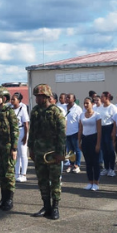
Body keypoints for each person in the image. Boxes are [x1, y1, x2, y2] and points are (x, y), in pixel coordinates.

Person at [29, 84, 66, 219]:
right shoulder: (35, 111)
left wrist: (60, 153)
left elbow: (62, 134)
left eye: (39, 96)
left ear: (46, 97)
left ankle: (55, 207)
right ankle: (46, 206)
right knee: (42, 180)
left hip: (52, 153)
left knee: (55, 180)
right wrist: (31, 148)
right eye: (36, 96)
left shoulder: (56, 112)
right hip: (39, 152)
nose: (37, 99)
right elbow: (32, 132)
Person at [0, 87, 19, 211]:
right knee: (1, 173)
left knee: (9, 174)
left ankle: (9, 200)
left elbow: (15, 130)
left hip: (7, 147)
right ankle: (3, 199)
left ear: (4, 98)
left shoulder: (9, 112)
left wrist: (14, 148)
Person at [78, 97, 102, 191]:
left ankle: (96, 182)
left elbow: (99, 131)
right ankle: (90, 181)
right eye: (84, 103)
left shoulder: (97, 115)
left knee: (95, 162)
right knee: (88, 162)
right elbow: (80, 129)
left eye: (87, 103)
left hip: (94, 138)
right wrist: (79, 141)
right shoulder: (82, 115)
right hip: (85, 139)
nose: (85, 105)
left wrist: (98, 144)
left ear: (92, 104)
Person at [95, 91, 117, 176]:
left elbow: (116, 121)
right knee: (104, 150)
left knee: (110, 150)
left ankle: (112, 168)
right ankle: (106, 167)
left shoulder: (113, 108)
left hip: (110, 128)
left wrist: (113, 131)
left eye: (102, 97)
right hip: (102, 129)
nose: (101, 98)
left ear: (107, 98)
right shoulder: (100, 107)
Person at [11, 92, 30, 182]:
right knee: (16, 154)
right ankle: (17, 173)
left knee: (23, 154)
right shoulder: (10, 109)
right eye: (11, 99)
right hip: (13, 132)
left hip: (21, 131)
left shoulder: (22, 108)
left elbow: (26, 123)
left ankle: (23, 174)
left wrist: (26, 136)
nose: (11, 101)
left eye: (13, 99)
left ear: (19, 100)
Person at [65, 93, 83, 174]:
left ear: (74, 99)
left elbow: (80, 121)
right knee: (70, 151)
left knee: (77, 149)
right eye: (66, 97)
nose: (67, 98)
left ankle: (77, 165)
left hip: (75, 132)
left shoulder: (78, 109)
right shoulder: (64, 107)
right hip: (66, 132)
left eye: (69, 97)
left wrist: (80, 132)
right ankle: (71, 164)